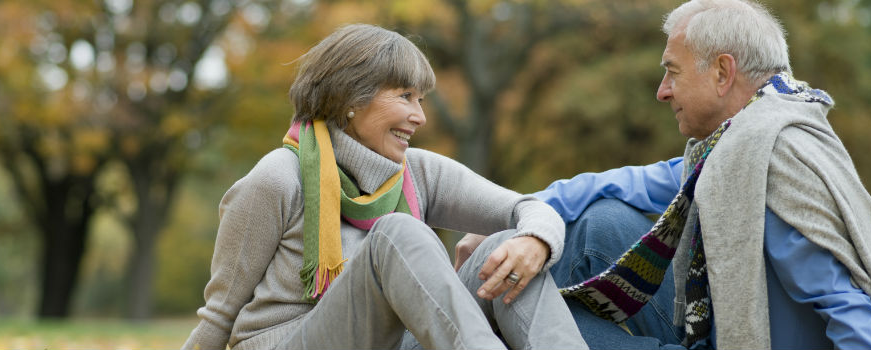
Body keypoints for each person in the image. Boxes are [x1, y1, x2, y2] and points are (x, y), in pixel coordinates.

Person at [456, 0, 871, 349]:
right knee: (599, 221)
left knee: (531, 307)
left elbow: (844, 303)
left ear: (723, 72)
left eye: (672, 71)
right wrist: (515, 220)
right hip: (711, 331)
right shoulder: (733, 150)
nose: (662, 91)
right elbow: (623, 183)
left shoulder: (774, 160)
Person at [181, 24, 587, 350]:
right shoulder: (277, 178)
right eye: (405, 96)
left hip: (390, 339)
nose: (419, 116)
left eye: (422, 100)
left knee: (499, 249)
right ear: (350, 98)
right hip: (287, 341)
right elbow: (219, 312)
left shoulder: (420, 172)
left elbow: (532, 207)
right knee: (397, 232)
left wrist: (534, 240)